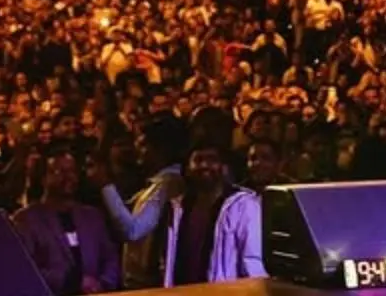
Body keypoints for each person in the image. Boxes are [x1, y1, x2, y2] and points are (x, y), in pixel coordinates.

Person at [91, 115, 187, 290]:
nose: (137, 149)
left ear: (160, 150)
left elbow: (133, 230)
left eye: (143, 145)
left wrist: (105, 185)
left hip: (149, 286)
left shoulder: (168, 185)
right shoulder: (157, 183)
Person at [14, 150, 120, 295]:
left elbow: (110, 257)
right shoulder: (26, 220)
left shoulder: (92, 216)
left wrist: (104, 283)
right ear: (43, 178)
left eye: (72, 171)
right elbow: (25, 268)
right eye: (59, 172)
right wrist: (73, 283)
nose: (69, 177)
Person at [161, 139, 265, 286]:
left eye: (212, 160)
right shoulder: (177, 207)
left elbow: (251, 258)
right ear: (188, 168)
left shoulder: (243, 204)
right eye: (198, 160)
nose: (204, 165)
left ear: (224, 168)